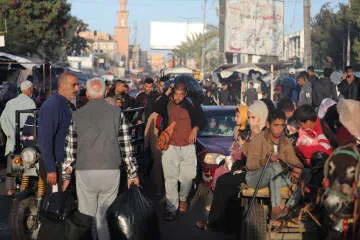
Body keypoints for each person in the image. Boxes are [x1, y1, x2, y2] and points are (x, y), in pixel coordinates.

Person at [61, 78, 139, 240]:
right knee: (104, 216)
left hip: (85, 172)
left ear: (87, 94)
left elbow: (71, 148)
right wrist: (132, 173)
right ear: (105, 93)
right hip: (110, 171)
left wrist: (66, 175)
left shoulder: (77, 115)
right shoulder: (117, 113)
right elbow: (126, 146)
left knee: (87, 217)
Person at [153, 82, 206, 221]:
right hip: (170, 147)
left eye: (181, 94)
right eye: (175, 93)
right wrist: (167, 91)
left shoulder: (192, 104)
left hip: (188, 147)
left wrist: (195, 128)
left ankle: (183, 198)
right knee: (170, 178)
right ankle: (171, 208)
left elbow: (202, 120)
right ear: (172, 93)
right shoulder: (166, 104)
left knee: (188, 177)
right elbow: (155, 107)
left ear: (185, 94)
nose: (178, 97)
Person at [246, 109, 303, 219]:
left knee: (306, 175)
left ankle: (287, 209)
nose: (279, 129)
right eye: (276, 125)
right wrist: (266, 160)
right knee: (275, 166)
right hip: (255, 178)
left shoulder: (285, 142)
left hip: (278, 177)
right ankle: (275, 209)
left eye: (282, 125)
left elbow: (294, 161)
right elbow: (250, 165)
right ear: (268, 124)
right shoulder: (258, 140)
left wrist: (297, 169)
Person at [38, 73, 79, 192]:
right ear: (62, 85)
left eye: (78, 85)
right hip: (56, 167)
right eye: (74, 85)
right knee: (55, 204)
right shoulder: (52, 105)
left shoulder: (67, 105)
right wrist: (51, 169)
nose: (77, 89)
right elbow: (45, 140)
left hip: (65, 165)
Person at [0, 80, 36, 195]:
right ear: (29, 90)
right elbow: (31, 122)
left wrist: (9, 133)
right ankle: (24, 189)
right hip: (26, 141)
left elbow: (2, 119)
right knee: (27, 164)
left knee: (12, 165)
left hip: (12, 140)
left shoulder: (10, 102)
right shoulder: (31, 103)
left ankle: (10, 190)